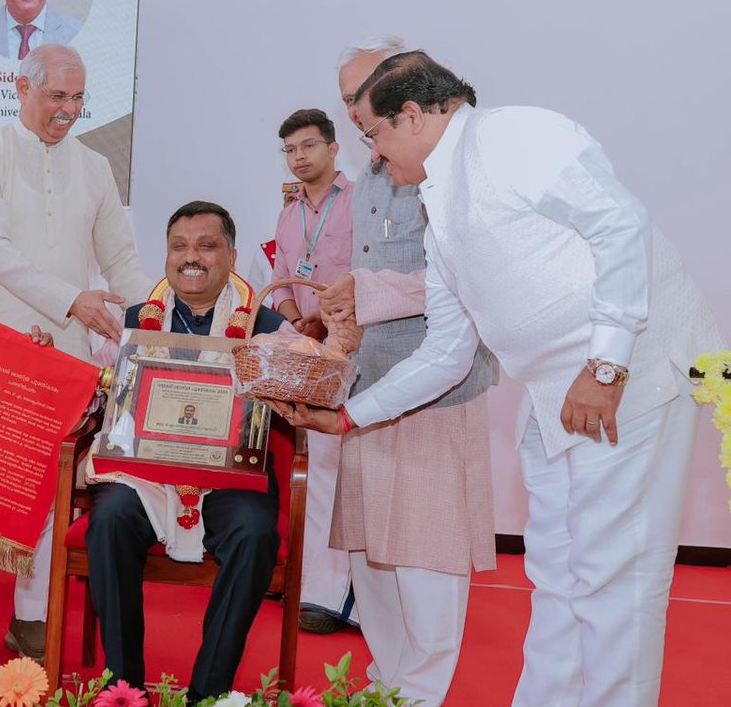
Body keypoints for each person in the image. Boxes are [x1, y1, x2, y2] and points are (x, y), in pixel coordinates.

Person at [279, 50, 723, 707]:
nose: (372, 156)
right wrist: (349, 416)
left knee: (613, 578)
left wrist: (606, 364)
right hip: (553, 394)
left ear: (411, 115)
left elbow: (620, 225)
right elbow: (447, 353)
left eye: (371, 136)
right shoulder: (441, 205)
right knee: (555, 573)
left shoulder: (517, 134)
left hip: (631, 372)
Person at [0, 43, 150, 669]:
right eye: (57, 95)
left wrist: (161, 318)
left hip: (64, 358)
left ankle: (30, 617)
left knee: (49, 492)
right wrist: (72, 301)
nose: (69, 109)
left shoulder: (94, 166)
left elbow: (120, 258)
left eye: (79, 97)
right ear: (21, 88)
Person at [315, 37, 498, 706]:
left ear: (405, 99)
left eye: (364, 101)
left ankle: (419, 694)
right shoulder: (368, 174)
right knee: (373, 561)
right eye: (346, 104)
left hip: (435, 392)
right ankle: (385, 688)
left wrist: (367, 290)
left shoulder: (447, 172)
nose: (357, 118)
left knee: (427, 558)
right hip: (371, 385)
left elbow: (461, 283)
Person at [86, 201, 287, 702]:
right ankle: (124, 690)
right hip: (144, 474)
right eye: (179, 246)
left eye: (206, 245)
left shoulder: (266, 326)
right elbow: (94, 388)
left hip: (228, 475)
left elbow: (300, 390)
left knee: (255, 532)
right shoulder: (131, 322)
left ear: (232, 255)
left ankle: (209, 694)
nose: (189, 257)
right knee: (108, 519)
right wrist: (47, 357)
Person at [270, 108, 357, 635]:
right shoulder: (287, 211)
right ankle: (315, 589)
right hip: (305, 348)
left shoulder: (360, 201)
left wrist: (327, 322)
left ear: (332, 147)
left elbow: (363, 275)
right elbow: (280, 277)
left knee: (340, 470)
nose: (299, 157)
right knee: (315, 467)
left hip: (352, 346)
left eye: (308, 146)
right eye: (290, 150)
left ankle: (341, 597)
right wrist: (290, 319)